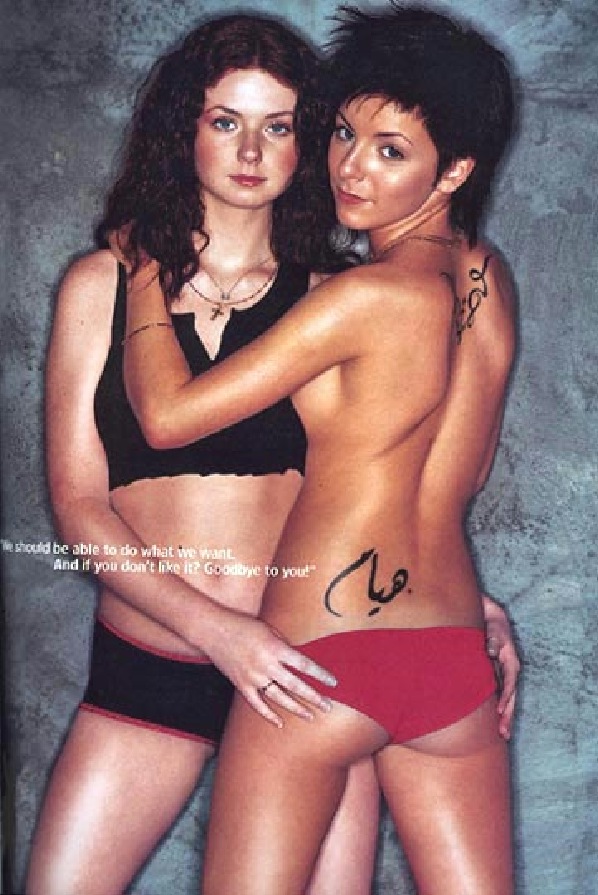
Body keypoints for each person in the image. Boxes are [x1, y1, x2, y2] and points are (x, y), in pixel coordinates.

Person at [26, 10, 519, 895]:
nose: (254, 150)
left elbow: (374, 461)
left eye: (283, 126)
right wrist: (226, 631)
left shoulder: (339, 291)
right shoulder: (98, 284)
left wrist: (450, 589)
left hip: (312, 659)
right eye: (226, 121)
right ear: (185, 129)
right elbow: (78, 505)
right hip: (177, 661)